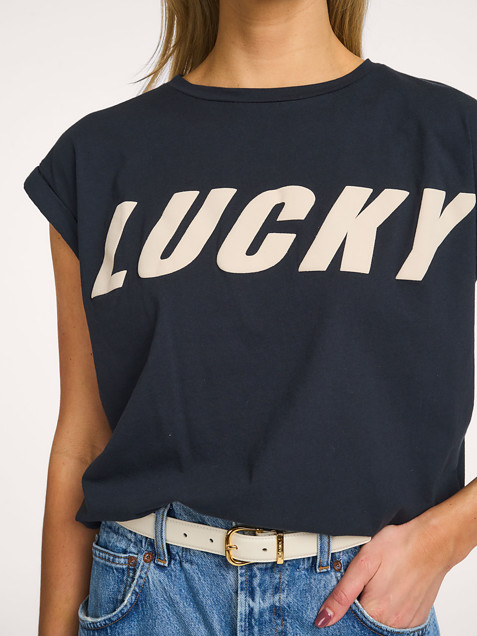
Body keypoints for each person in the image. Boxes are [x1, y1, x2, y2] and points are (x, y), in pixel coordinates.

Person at [23, 0, 477, 634]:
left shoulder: (454, 137)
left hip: (359, 602)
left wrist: (449, 535)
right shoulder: (96, 157)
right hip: (149, 597)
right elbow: (84, 438)